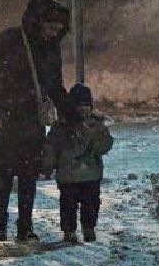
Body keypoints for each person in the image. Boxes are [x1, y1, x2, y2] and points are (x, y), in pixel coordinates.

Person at [0, 0, 72, 242]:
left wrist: (72, 114)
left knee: (29, 175)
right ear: (39, 22)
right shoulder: (10, 40)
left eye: (59, 30)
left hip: (32, 120)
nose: (54, 34)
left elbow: (55, 86)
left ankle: (25, 227)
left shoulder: (50, 47)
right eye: (51, 27)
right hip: (6, 118)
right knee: (4, 174)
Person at [47, 83, 113, 243]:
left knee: (90, 204)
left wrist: (95, 136)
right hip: (69, 175)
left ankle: (88, 227)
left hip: (90, 175)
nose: (83, 109)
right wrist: (48, 164)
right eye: (79, 105)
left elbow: (104, 146)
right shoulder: (62, 126)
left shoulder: (96, 125)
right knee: (68, 205)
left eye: (86, 105)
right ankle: (69, 230)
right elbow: (51, 147)